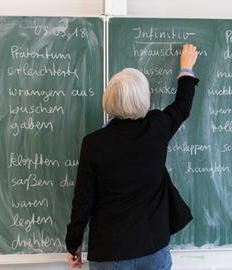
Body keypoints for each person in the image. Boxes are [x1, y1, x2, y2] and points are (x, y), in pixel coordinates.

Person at [66, 44, 199, 270]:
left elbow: (83, 201)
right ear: (143, 98)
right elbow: (182, 106)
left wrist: (74, 244)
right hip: (153, 247)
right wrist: (186, 68)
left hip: (110, 252)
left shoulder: (94, 143)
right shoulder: (157, 127)